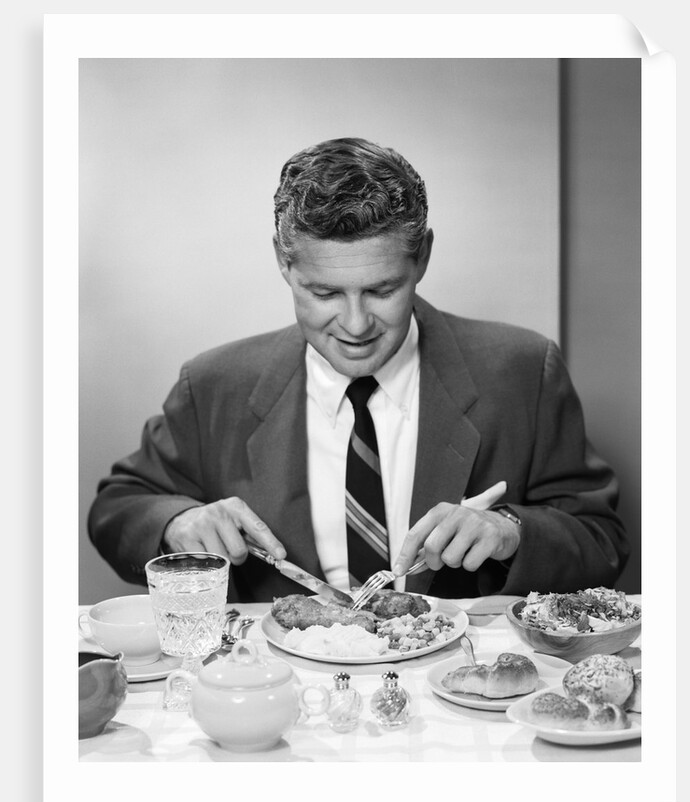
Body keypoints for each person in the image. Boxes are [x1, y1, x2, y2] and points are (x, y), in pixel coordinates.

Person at [87, 137, 629, 602]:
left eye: (382, 290)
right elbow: (118, 508)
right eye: (325, 293)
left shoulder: (524, 371)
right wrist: (177, 523)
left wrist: (512, 531)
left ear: (422, 257)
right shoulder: (213, 384)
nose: (355, 324)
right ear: (283, 262)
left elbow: (602, 541)